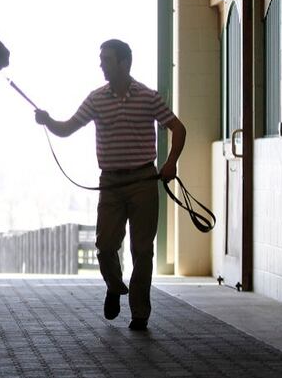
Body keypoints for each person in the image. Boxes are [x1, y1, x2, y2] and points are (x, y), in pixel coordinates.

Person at [35, 39, 185, 331]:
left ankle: (140, 313)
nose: (101, 64)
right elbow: (67, 128)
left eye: (106, 59)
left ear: (124, 63)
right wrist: (47, 120)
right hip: (111, 183)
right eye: (101, 58)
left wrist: (171, 163)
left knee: (142, 250)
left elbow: (178, 128)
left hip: (143, 180)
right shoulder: (96, 99)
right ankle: (115, 286)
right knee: (105, 246)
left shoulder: (148, 96)